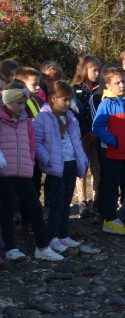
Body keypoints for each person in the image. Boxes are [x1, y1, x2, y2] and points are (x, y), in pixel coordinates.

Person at [0, 82, 63, 262]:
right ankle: (11, 248)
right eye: (18, 103)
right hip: (4, 173)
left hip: (24, 172)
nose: (22, 106)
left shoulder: (26, 122)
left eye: (24, 103)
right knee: (8, 209)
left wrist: (29, 160)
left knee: (35, 207)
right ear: (7, 101)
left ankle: (42, 247)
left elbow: (32, 145)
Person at [34, 80, 88, 254]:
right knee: (56, 203)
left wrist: (81, 160)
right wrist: (47, 159)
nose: (67, 103)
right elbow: (36, 142)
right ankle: (52, 236)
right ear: (52, 99)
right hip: (55, 166)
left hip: (70, 163)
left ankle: (63, 234)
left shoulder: (70, 116)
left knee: (66, 201)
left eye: (69, 99)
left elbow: (76, 141)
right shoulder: (43, 117)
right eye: (64, 99)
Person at [92, 65, 125, 235]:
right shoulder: (106, 104)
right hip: (112, 154)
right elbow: (97, 127)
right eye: (118, 82)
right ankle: (109, 220)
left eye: (123, 81)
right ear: (108, 85)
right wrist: (113, 141)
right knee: (111, 187)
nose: (122, 85)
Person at [72, 55, 102, 218]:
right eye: (94, 70)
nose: (97, 73)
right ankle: (82, 202)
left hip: (98, 136)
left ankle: (96, 200)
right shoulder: (76, 89)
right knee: (81, 168)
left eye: (99, 70)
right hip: (82, 135)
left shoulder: (101, 89)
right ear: (84, 70)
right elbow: (75, 114)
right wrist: (85, 133)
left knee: (97, 168)